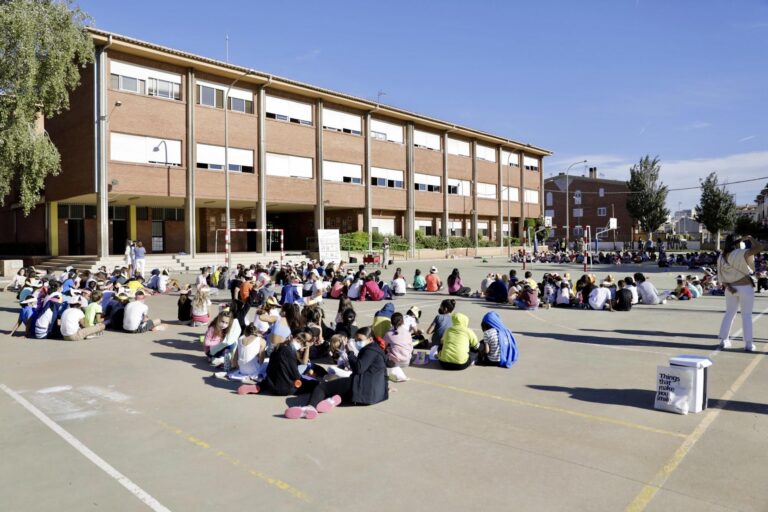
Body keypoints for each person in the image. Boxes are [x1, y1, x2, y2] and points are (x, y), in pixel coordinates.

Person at [284, 327, 388, 419]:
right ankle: (333, 400)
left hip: (362, 388)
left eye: (360, 340)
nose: (357, 342)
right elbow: (382, 372)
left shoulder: (370, 350)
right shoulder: (377, 350)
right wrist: (384, 388)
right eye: (356, 339)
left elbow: (359, 368)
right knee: (339, 386)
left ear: (370, 339)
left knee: (322, 387)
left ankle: (309, 407)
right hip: (373, 394)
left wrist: (350, 353)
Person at [717, 234, 763, 351]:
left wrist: (729, 287)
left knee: (729, 314)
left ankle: (723, 340)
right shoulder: (740, 253)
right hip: (745, 287)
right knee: (746, 315)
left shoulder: (721, 257)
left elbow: (720, 276)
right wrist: (750, 238)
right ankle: (748, 344)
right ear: (738, 242)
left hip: (730, 288)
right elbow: (759, 247)